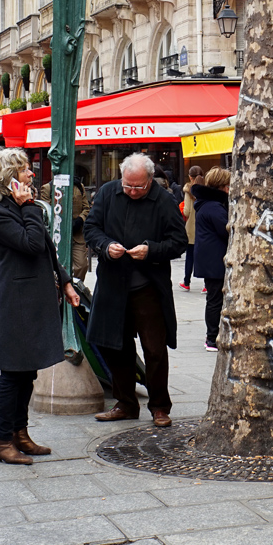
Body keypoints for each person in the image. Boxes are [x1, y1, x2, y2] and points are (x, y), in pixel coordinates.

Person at [0, 148, 81, 464]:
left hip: (34, 299)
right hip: (16, 301)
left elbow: (46, 250)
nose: (32, 174)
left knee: (28, 372)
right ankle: (1, 440)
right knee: (13, 373)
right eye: (25, 170)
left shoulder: (21, 207)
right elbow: (32, 243)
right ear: (10, 178)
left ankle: (19, 434)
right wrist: (29, 208)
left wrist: (65, 281)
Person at [84, 152, 188, 426]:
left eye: (138, 187)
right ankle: (125, 403)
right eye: (127, 185)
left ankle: (159, 407)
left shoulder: (164, 200)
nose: (131, 191)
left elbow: (178, 241)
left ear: (150, 180)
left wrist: (151, 250)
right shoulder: (108, 193)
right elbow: (91, 228)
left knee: (154, 348)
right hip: (113, 284)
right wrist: (106, 246)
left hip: (148, 286)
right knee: (114, 345)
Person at [192, 167, 230, 350]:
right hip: (215, 260)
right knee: (215, 300)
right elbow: (227, 231)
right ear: (222, 186)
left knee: (214, 299)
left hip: (209, 259)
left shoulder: (206, 204)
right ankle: (212, 338)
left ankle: (213, 336)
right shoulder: (214, 207)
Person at [40, 171, 93, 284]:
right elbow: (47, 212)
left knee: (82, 265)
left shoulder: (79, 186)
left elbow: (86, 208)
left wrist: (80, 219)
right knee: (58, 267)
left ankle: (75, 288)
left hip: (76, 234)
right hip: (58, 235)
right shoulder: (48, 188)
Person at [181, 165, 204, 291]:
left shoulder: (189, 190)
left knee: (190, 255)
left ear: (190, 177)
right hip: (204, 227)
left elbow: (187, 212)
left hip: (191, 228)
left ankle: (186, 282)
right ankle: (206, 284)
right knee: (205, 255)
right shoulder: (206, 188)